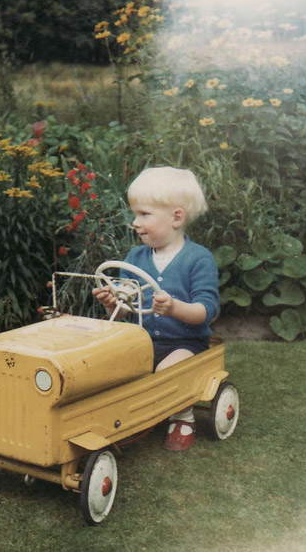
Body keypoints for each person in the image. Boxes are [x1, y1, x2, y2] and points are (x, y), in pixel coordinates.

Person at [93, 166, 219, 451]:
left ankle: (183, 417)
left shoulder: (198, 259)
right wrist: (113, 302)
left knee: (167, 371)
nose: (135, 223)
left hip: (184, 343)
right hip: (141, 340)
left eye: (144, 214)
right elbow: (125, 307)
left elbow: (206, 311)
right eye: (135, 214)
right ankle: (123, 415)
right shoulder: (135, 257)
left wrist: (174, 308)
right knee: (109, 365)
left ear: (176, 218)